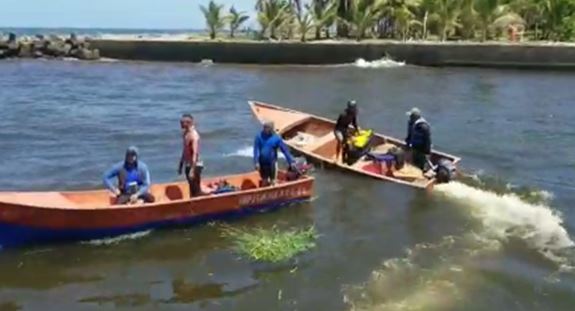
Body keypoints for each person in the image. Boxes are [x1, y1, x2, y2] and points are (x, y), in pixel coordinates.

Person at [253, 120, 295, 186]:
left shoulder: (276, 138)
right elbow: (256, 150)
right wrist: (256, 162)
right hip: (262, 162)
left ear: (271, 129)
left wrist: (291, 161)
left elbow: (285, 150)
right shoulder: (259, 137)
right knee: (264, 179)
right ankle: (264, 192)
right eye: (264, 127)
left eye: (267, 128)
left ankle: (273, 187)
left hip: (272, 163)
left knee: (273, 180)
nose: (265, 129)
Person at [178, 114, 203, 198]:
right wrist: (181, 165)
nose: (180, 124)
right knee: (192, 188)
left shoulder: (193, 135)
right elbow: (185, 151)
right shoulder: (186, 134)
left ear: (188, 123)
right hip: (188, 164)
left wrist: (192, 169)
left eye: (182, 122)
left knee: (195, 189)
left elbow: (195, 153)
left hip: (195, 164)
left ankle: (200, 207)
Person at [405, 107, 432, 172]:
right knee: (415, 163)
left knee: (422, 165)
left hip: (422, 149)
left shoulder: (424, 127)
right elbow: (409, 135)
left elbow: (427, 140)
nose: (410, 118)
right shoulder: (411, 123)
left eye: (411, 116)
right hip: (415, 147)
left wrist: (427, 152)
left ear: (414, 117)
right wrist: (407, 145)